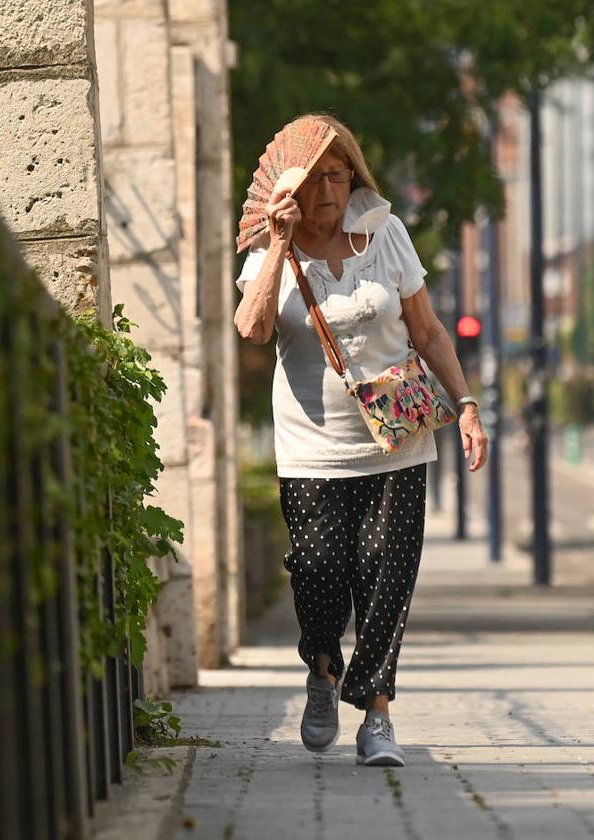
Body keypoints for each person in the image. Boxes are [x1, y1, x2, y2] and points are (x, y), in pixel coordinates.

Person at [233, 114, 488, 767]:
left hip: (398, 438)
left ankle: (376, 714)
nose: (327, 192)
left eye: (339, 176)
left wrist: (465, 405)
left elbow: (428, 331)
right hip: (310, 447)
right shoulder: (272, 248)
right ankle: (322, 666)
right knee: (318, 572)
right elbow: (253, 329)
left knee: (386, 573)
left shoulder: (387, 235)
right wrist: (282, 248)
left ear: (355, 179)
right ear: (289, 189)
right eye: (315, 179)